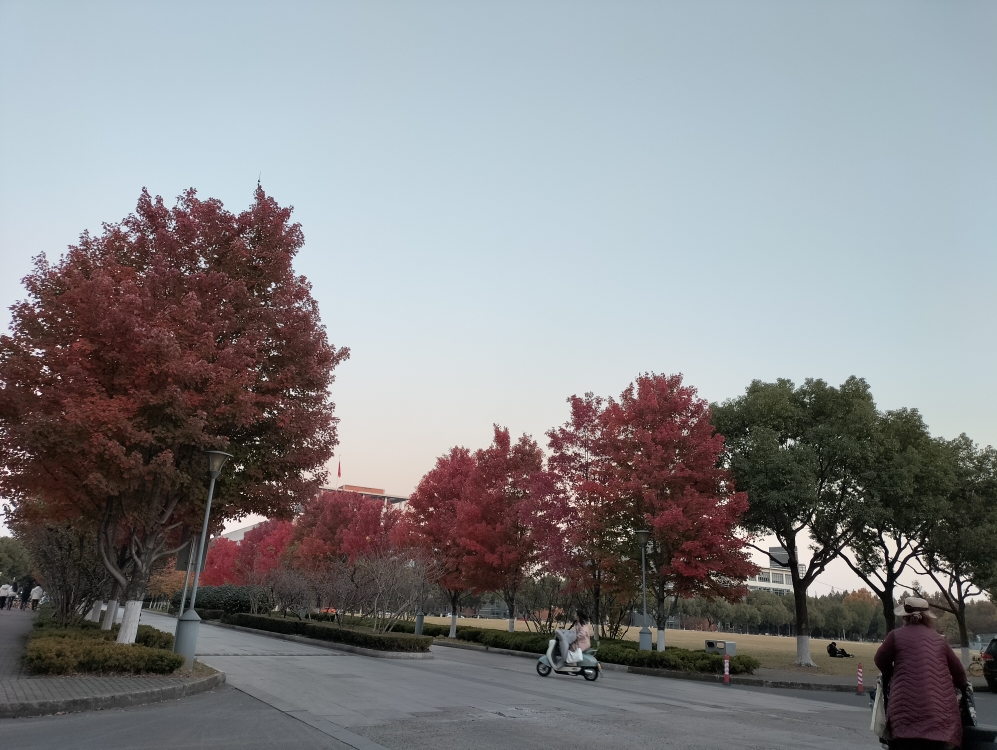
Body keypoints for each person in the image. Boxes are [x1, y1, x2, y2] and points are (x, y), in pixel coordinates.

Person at [874, 596, 967, 750]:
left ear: (904, 616)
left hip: (904, 718)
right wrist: (961, 686)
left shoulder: (895, 636)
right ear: (928, 617)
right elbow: (959, 673)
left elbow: (880, 660)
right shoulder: (939, 640)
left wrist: (892, 673)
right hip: (940, 721)